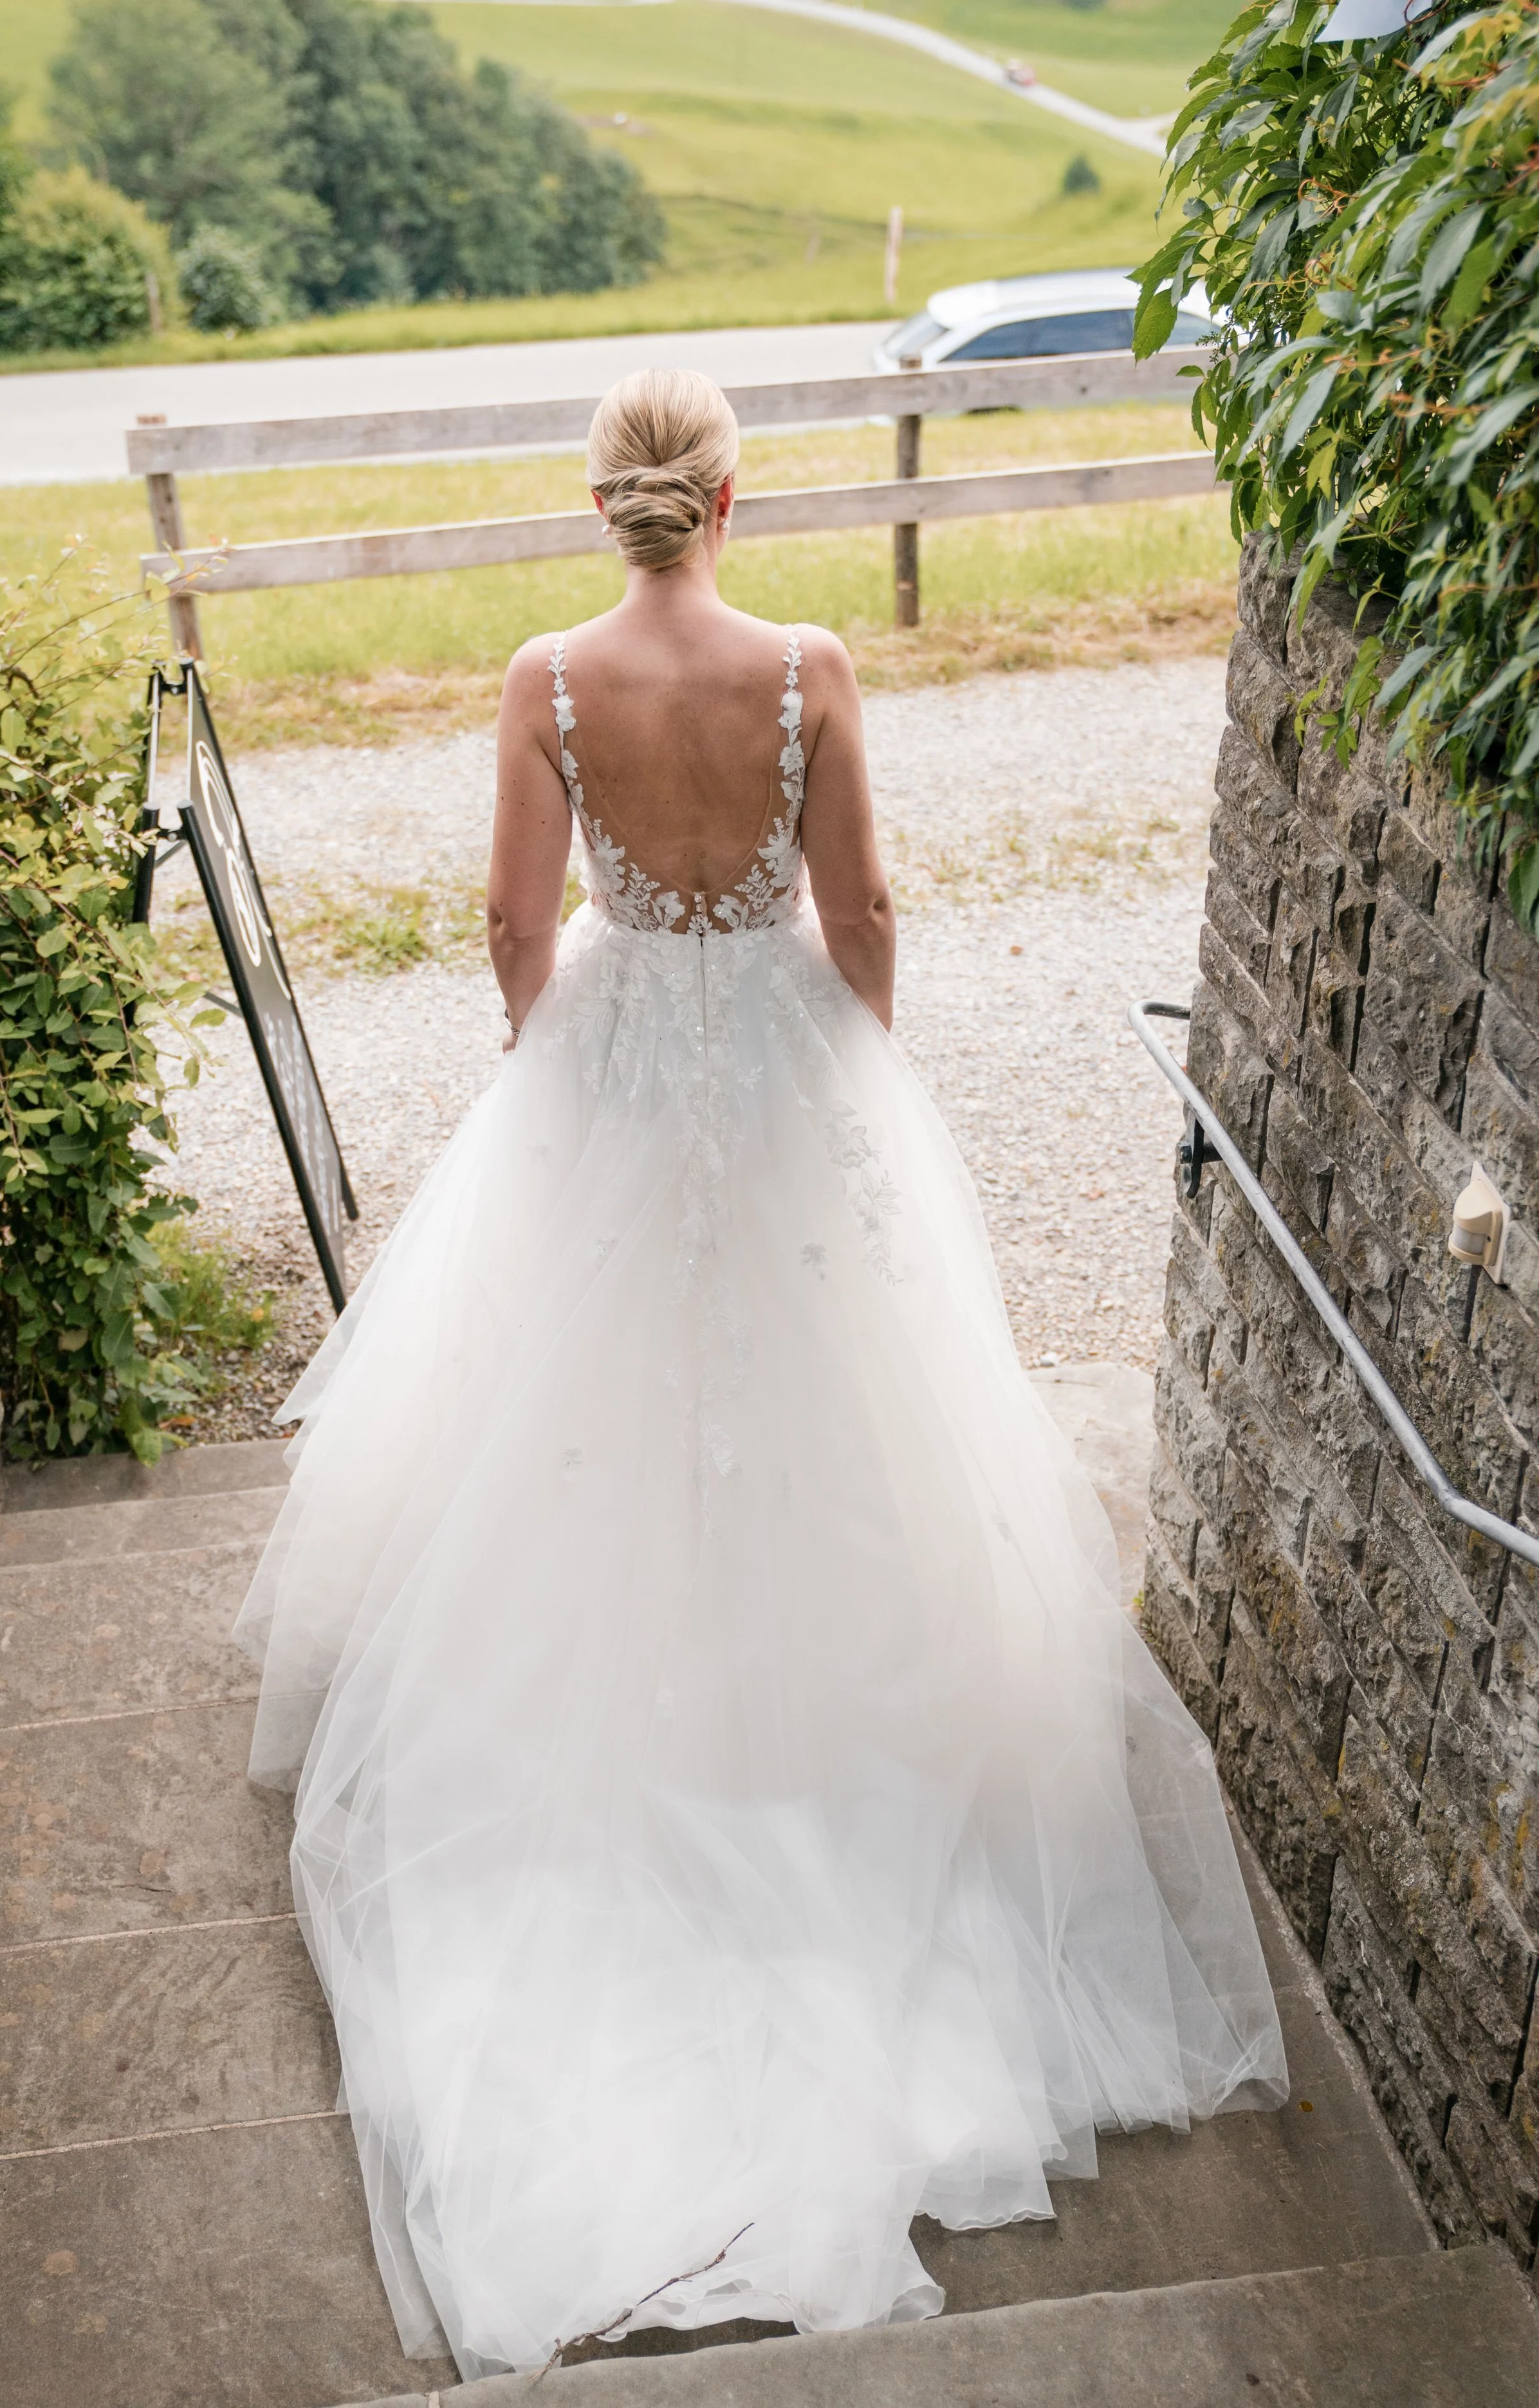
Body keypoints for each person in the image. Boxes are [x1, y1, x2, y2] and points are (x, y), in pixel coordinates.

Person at [234, 367, 1287, 2381]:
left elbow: (509, 919)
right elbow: (859, 902)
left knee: (572, 1422)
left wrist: (562, 1052)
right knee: (859, 1425)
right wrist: (847, 1056)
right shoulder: (807, 665)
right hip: (790, 1074)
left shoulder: (546, 679)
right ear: (729, 498)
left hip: (617, 1060)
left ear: (608, 505)